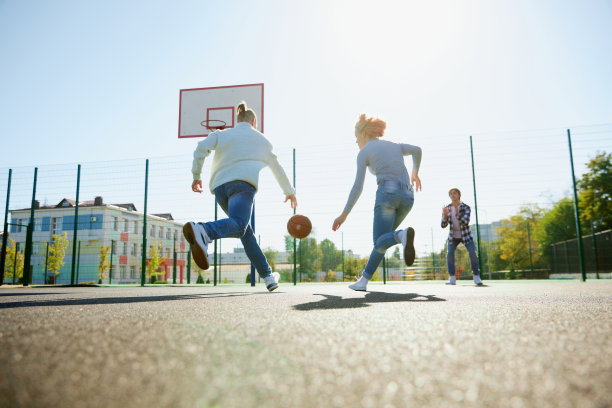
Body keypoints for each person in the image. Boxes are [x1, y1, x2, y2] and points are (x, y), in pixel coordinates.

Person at [183, 101, 297, 292]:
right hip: (242, 187)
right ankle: (204, 230)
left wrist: (196, 176)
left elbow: (200, 148)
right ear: (253, 121)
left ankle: (268, 276)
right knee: (238, 225)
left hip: (219, 188)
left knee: (246, 232)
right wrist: (289, 191)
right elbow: (277, 167)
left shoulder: (222, 134)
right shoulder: (262, 140)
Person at [332, 114, 422, 291]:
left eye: (356, 137)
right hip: (408, 196)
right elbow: (417, 150)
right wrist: (415, 172)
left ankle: (402, 235)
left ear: (364, 133)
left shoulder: (364, 153)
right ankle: (363, 281)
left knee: (381, 239)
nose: (356, 141)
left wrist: (344, 214)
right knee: (382, 241)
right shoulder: (394, 145)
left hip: (388, 194)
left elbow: (358, 187)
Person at [441, 188, 483, 286]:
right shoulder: (447, 208)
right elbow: (443, 225)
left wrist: (457, 215)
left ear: (459, 195)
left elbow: (466, 222)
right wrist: (445, 217)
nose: (452, 195)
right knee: (450, 253)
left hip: (466, 235)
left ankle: (476, 276)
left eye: (454, 193)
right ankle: (452, 277)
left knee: (473, 253)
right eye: (450, 194)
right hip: (453, 236)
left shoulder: (465, 207)